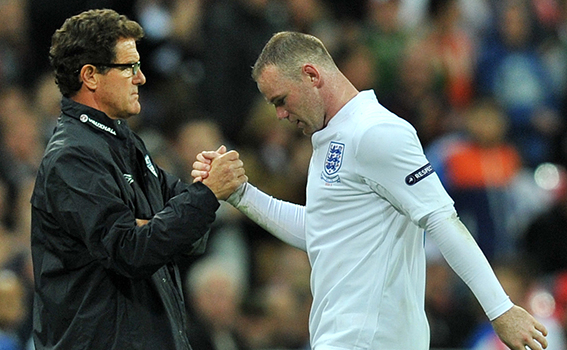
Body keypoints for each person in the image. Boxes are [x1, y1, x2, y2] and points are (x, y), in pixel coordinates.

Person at [192, 31, 548, 350]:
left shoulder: (377, 132)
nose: (280, 115)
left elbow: (441, 219)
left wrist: (500, 309)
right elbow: (322, 231)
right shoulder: (329, 139)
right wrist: (240, 193)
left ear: (312, 76)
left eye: (280, 100)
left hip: (370, 339)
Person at [30, 9, 246, 350]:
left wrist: (163, 223)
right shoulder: (72, 158)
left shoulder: (124, 142)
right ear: (90, 76)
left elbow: (188, 235)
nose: (141, 77)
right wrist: (204, 196)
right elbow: (132, 252)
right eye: (129, 67)